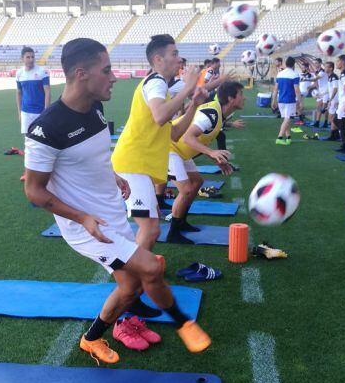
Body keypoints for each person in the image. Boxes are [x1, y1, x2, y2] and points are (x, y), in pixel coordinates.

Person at [24, 38, 211, 364]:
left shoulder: (96, 109)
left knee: (130, 287)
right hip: (87, 226)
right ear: (81, 74)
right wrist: (82, 218)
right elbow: (34, 191)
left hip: (109, 210)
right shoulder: (46, 128)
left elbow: (91, 157)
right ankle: (184, 324)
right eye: (107, 70)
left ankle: (91, 339)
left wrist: (113, 176)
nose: (114, 77)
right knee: (151, 268)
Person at [111, 34, 203, 252]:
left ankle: (138, 268)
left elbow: (174, 133)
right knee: (151, 229)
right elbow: (160, 116)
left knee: (150, 228)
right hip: (133, 164)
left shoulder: (161, 87)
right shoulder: (156, 82)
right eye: (174, 54)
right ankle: (136, 271)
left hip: (139, 165)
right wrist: (188, 88)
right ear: (158, 59)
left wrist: (193, 105)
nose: (179, 59)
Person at [166, 81, 246, 244]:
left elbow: (200, 140)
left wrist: (216, 159)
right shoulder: (212, 113)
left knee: (197, 182)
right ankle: (173, 233)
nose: (244, 98)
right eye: (241, 94)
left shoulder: (219, 114)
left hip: (179, 151)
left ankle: (181, 222)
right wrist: (212, 152)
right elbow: (188, 137)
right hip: (168, 148)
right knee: (186, 190)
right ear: (230, 98)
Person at [16, 46, 51, 181]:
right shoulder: (19, 73)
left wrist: (46, 111)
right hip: (26, 112)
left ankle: (46, 171)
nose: (31, 59)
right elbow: (19, 93)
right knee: (28, 143)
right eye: (28, 57)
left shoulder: (42, 72)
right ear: (22, 58)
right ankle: (28, 172)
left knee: (43, 142)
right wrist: (19, 111)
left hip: (40, 113)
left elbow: (47, 91)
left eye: (32, 57)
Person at [271, 56, 302, 145]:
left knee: (286, 119)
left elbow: (275, 89)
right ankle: (279, 137)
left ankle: (288, 137)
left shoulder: (280, 74)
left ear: (285, 63)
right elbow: (297, 90)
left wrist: (273, 101)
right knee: (287, 119)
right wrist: (299, 101)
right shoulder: (295, 74)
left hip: (281, 100)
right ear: (294, 64)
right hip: (290, 100)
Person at [325, 62, 340, 140]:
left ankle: (333, 135)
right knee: (332, 117)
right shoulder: (330, 77)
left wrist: (331, 100)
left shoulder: (334, 77)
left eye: (326, 67)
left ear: (331, 68)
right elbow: (330, 89)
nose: (325, 68)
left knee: (332, 117)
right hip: (333, 99)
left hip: (335, 100)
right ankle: (336, 134)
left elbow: (335, 88)